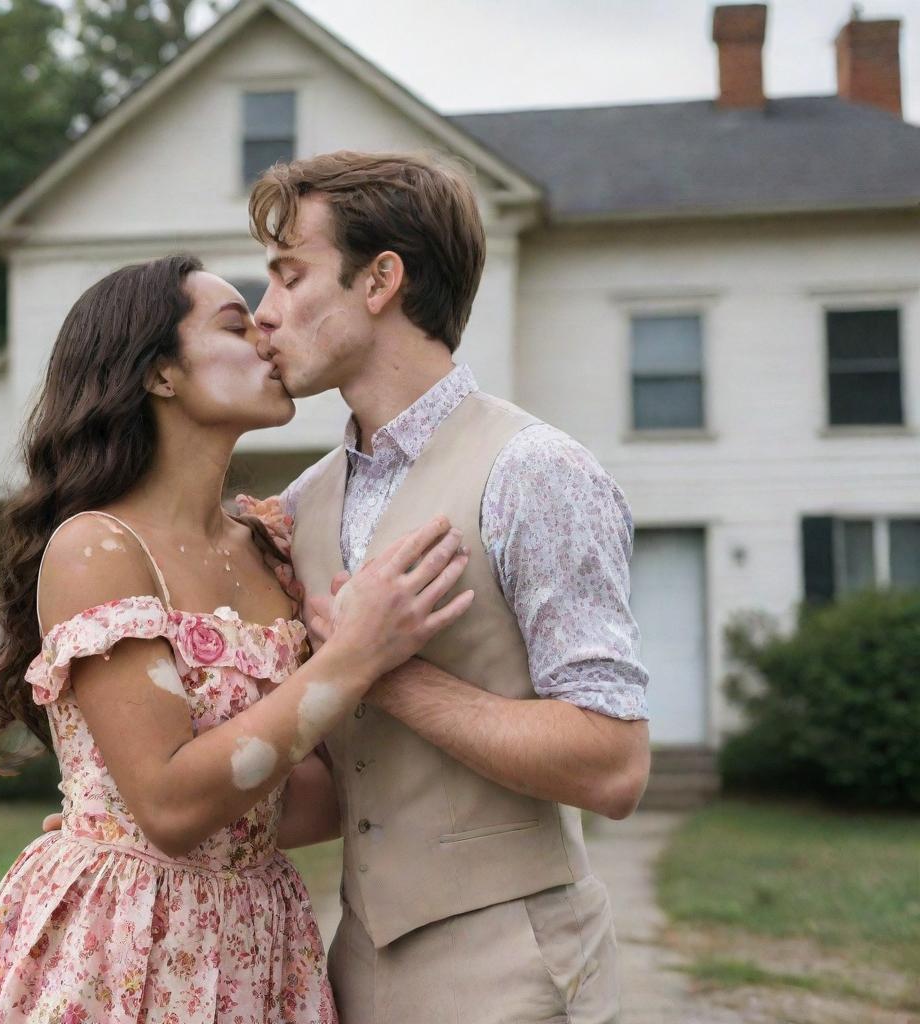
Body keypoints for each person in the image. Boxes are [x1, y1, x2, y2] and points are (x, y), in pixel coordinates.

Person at [0, 254, 475, 1024]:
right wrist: (354, 658)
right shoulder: (100, 548)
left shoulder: (272, 545)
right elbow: (170, 806)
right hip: (123, 945)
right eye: (235, 323)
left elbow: (297, 805)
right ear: (159, 374)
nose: (267, 332)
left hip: (259, 939)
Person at [245, 151, 652, 1024]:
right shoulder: (301, 505)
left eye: (289, 275)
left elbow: (615, 765)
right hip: (353, 967)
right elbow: (332, 779)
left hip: (520, 971)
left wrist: (384, 672)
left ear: (380, 280)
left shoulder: (535, 470)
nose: (263, 314)